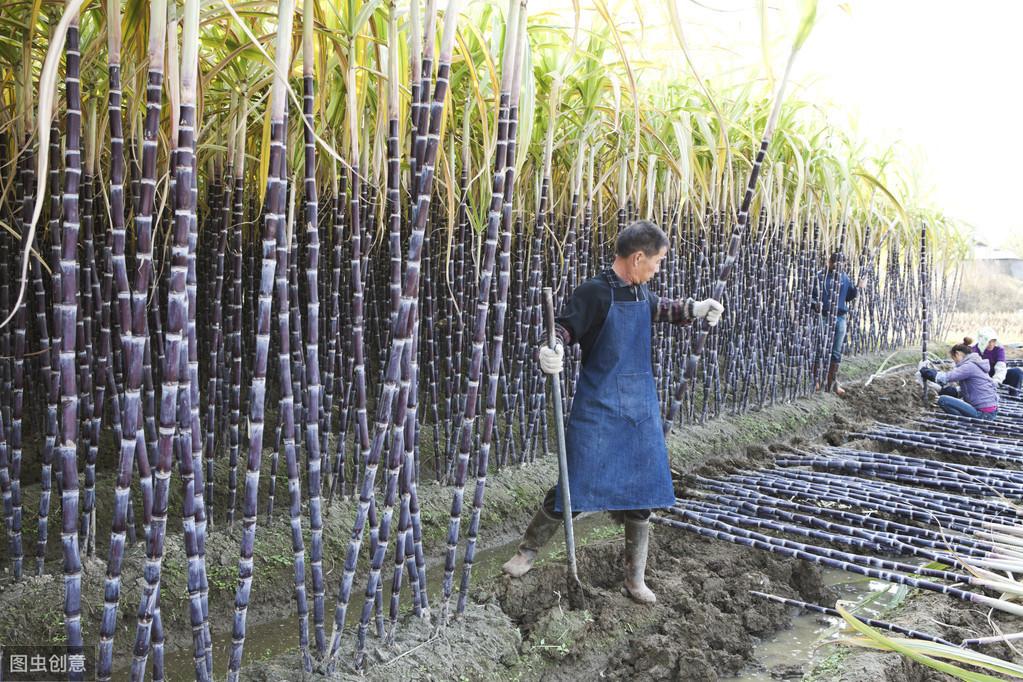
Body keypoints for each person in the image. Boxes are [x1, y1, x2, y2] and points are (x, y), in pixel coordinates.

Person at [501, 220, 724, 604]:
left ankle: (634, 579)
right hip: (598, 408)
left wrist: (696, 307)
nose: (657, 268)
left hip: (639, 409)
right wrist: (549, 348)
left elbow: (664, 309)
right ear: (638, 257)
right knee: (573, 485)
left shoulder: (639, 292)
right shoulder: (595, 292)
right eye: (657, 261)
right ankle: (527, 552)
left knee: (643, 493)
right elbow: (565, 330)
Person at [815, 253, 863, 397]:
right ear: (829, 262)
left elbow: (848, 297)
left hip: (840, 318)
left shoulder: (844, 277)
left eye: (841, 265)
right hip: (824, 317)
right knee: (820, 348)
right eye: (835, 264)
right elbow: (811, 297)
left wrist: (858, 288)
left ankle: (832, 383)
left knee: (836, 352)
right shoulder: (820, 277)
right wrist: (815, 305)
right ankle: (816, 380)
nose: (838, 268)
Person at [919, 343, 999, 419]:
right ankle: (965, 421)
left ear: (957, 354)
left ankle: (964, 423)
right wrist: (941, 390)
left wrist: (923, 370)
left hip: (983, 413)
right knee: (947, 399)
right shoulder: (975, 365)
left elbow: (944, 378)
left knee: (943, 400)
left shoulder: (969, 366)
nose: (955, 362)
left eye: (954, 359)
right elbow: (964, 391)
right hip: (990, 412)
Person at [972, 328, 1023, 396]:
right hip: (981, 376)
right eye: (988, 341)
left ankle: (1014, 395)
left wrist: (996, 381)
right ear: (982, 341)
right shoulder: (974, 350)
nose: (991, 344)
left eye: (993, 341)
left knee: (1017, 372)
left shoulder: (999, 348)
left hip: (995, 374)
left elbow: (1001, 367)